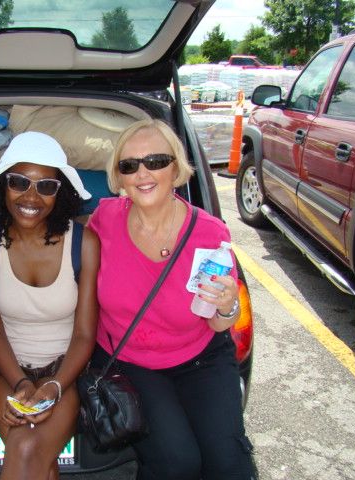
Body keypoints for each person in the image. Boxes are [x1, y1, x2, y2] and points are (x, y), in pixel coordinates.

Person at [87, 119, 255, 480]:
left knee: (229, 463)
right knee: (177, 462)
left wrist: (228, 303)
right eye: (129, 166)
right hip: (130, 360)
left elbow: (219, 321)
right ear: (119, 177)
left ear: (176, 168)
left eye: (156, 161)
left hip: (201, 357)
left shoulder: (209, 232)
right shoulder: (104, 219)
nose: (142, 174)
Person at [0, 131, 99, 480]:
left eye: (46, 187)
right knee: (32, 451)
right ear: (1, 186)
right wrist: (22, 383)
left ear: (61, 194)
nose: (31, 196)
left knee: (27, 449)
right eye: (19, 181)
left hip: (66, 371)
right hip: (4, 368)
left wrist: (53, 385)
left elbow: (85, 334)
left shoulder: (83, 243)